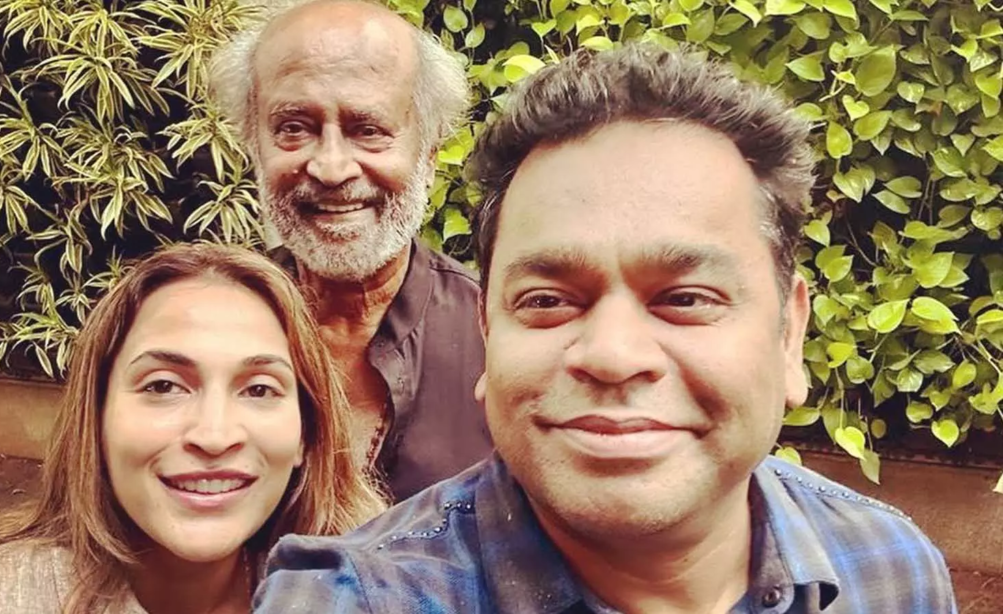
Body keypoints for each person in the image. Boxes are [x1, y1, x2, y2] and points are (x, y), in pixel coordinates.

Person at [253, 44, 958, 613]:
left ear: (788, 335)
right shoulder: (350, 600)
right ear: (488, 334)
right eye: (548, 301)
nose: (613, 355)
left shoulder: (889, 568)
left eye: (685, 298)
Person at [0, 243, 386, 614]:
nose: (214, 437)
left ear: (305, 433)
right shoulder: (1, 596)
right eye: (163, 386)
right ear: (97, 418)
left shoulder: (373, 591)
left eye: (259, 389)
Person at [209, 0, 491, 501]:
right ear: (254, 145)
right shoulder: (211, 328)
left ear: (429, 153)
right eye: (294, 128)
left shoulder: (494, 339)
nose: (332, 168)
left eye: (369, 130)